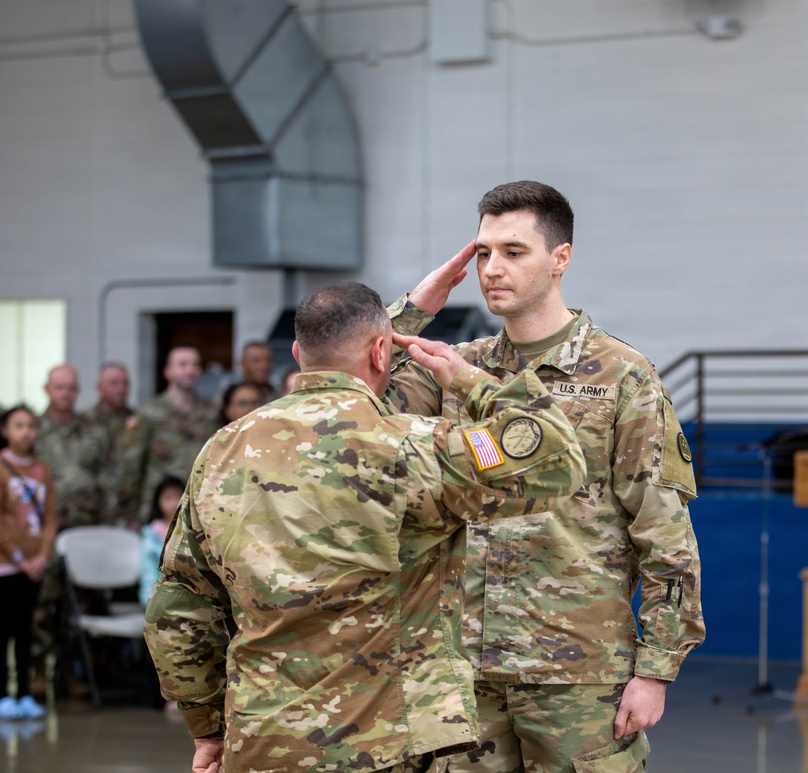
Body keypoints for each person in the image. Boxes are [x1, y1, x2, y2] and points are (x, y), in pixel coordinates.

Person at [144, 281, 586, 773]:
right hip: (377, 745)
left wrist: (207, 727)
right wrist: (468, 380)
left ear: (297, 355)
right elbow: (557, 460)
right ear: (381, 353)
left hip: (259, 740)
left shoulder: (222, 450)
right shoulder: (409, 448)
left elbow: (177, 607)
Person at [387, 181, 705, 772]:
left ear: (561, 258)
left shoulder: (621, 376)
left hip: (578, 673)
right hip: (465, 670)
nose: (492, 269)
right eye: (484, 253)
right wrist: (417, 308)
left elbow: (663, 531)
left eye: (514, 251)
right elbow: (349, 389)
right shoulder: (457, 367)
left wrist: (656, 670)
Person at [0, 405, 58, 720]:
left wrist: (42, 555)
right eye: (18, 425)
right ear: (5, 430)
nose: (26, 432)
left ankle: (24, 693)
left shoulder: (41, 469)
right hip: (7, 565)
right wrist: (20, 557)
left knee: (25, 630)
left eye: (31, 425)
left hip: (34, 566)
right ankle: (3, 695)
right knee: (3, 630)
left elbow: (50, 517)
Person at [119, 347, 217, 518]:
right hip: (160, 508)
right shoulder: (149, 412)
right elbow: (132, 464)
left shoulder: (211, 412)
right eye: (182, 365)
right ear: (168, 372)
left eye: (195, 365)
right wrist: (129, 512)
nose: (190, 370)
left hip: (201, 506)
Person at [35, 365, 111, 530]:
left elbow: (106, 476)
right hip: (43, 523)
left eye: (71, 388)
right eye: (59, 387)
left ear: (78, 391)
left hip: (86, 521)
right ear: (46, 389)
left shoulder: (94, 430)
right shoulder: (33, 430)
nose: (65, 393)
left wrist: (106, 521)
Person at [85, 362, 137, 525]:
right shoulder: (85, 421)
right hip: (92, 505)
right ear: (99, 387)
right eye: (114, 383)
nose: (121, 389)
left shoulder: (137, 421)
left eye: (125, 383)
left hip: (128, 506)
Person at [139, 475, 184, 605]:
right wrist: (149, 601)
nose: (174, 503)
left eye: (179, 497)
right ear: (157, 501)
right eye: (168, 497)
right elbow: (148, 573)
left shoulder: (191, 530)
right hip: (159, 600)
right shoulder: (151, 534)